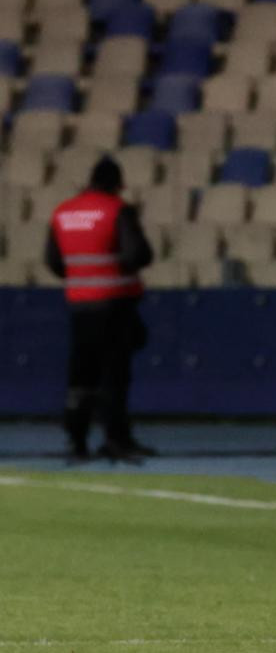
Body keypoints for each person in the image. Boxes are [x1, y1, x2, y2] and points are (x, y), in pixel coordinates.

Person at [44, 157, 154, 463]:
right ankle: (116, 440)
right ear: (116, 183)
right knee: (114, 376)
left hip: (80, 305)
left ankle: (76, 440)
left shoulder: (63, 212)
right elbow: (139, 254)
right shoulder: (117, 210)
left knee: (81, 375)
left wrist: (81, 276)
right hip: (115, 303)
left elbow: (54, 262)